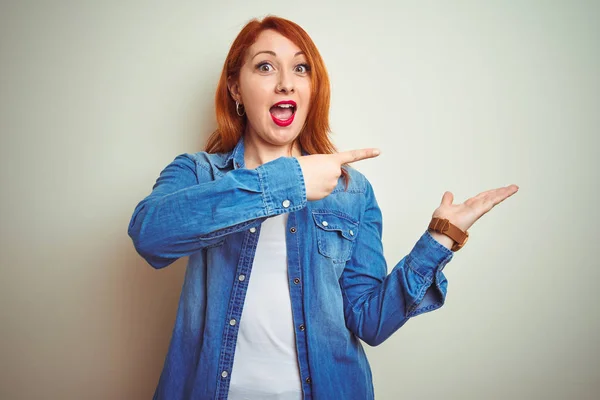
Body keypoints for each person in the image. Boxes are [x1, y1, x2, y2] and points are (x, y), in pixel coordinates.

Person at [127, 15, 519, 400]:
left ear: (312, 88)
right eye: (265, 66)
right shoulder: (198, 173)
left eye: (300, 68)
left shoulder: (352, 191)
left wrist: (439, 240)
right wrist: (289, 181)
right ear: (235, 88)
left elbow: (370, 321)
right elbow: (150, 235)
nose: (285, 82)